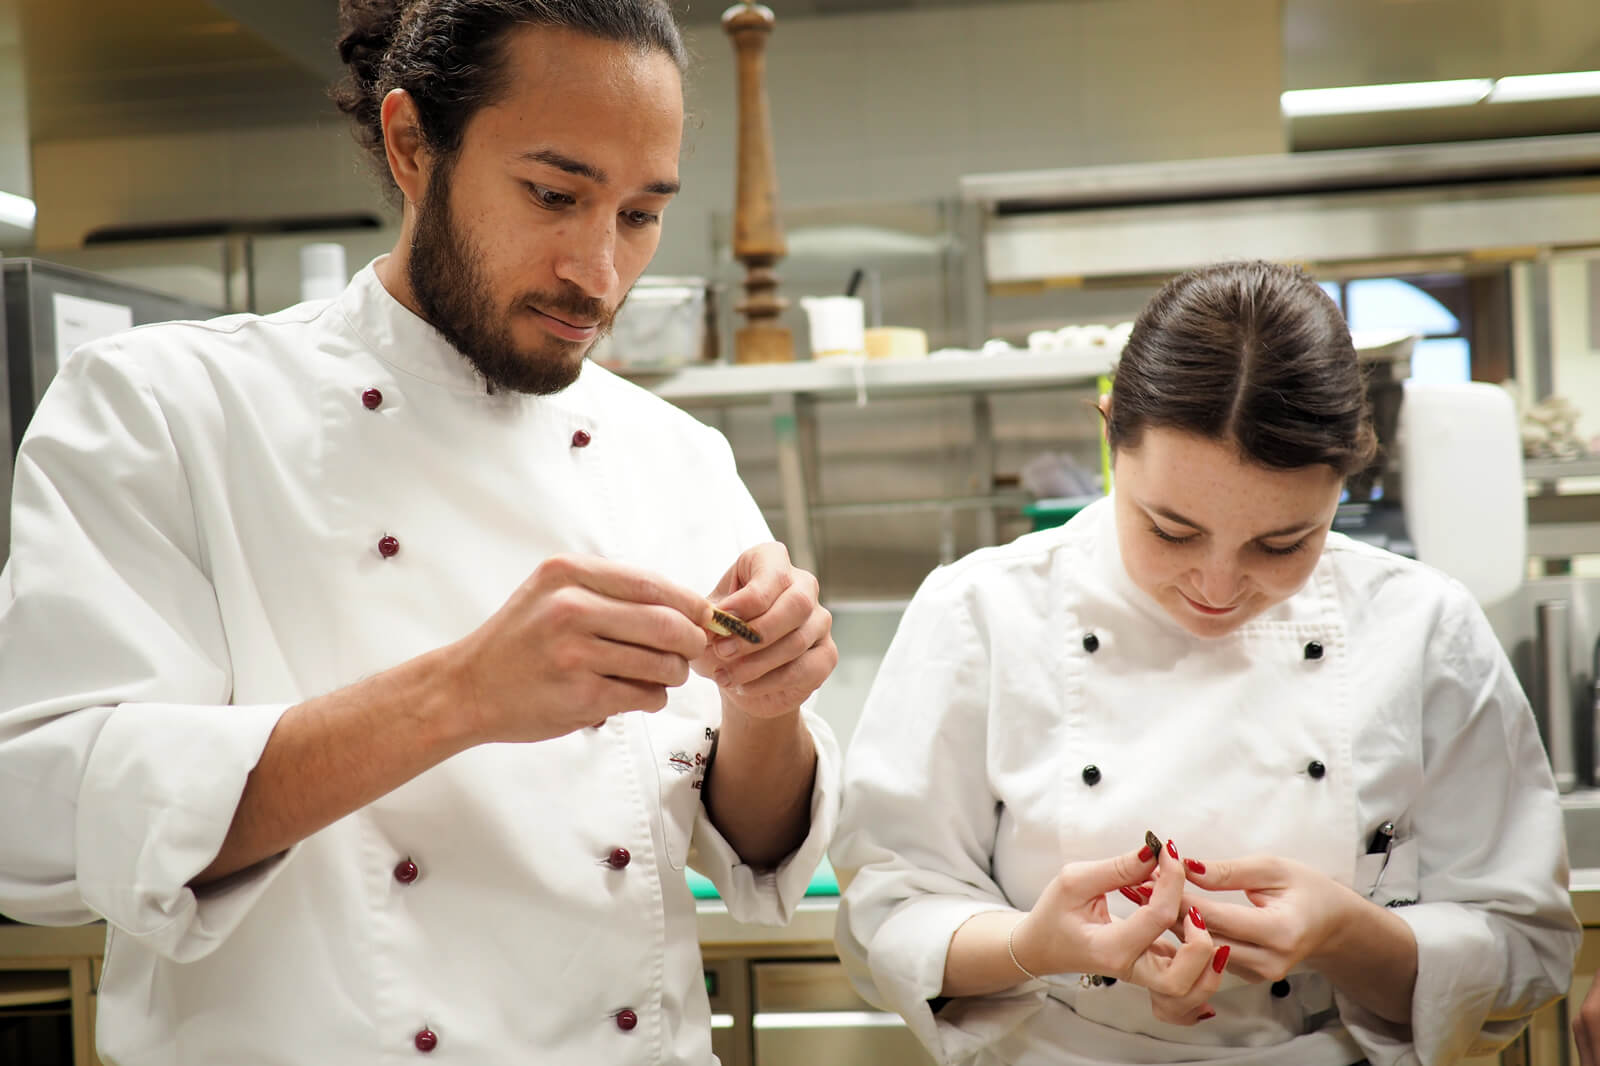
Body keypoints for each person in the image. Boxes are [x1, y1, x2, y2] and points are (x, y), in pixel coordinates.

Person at [0, 2, 840, 1062]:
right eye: (553, 194)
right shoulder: (167, 408)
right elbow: (33, 821)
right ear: (410, 145)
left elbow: (752, 847)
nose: (599, 271)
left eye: (639, 215)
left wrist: (766, 707)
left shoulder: (675, 454)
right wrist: (461, 696)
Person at [831, 260, 1578, 1066]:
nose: (1217, 588)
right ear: (1113, 435)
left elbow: (1523, 947)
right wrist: (1032, 946)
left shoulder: (1424, 626)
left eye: (1283, 543)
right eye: (1170, 530)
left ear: (1344, 483)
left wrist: (1346, 932)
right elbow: (889, 909)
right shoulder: (981, 611)